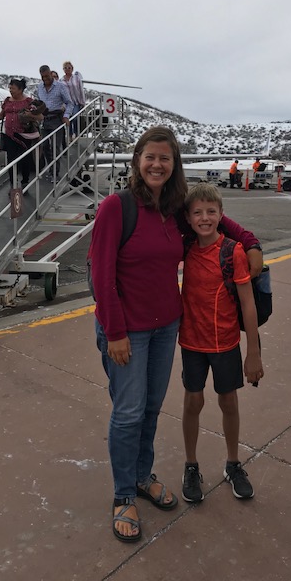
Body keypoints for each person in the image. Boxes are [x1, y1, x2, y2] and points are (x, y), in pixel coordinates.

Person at [88, 126, 263, 543]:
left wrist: (251, 243)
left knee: (150, 408)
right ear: (137, 160)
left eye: (165, 158)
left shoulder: (175, 210)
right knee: (128, 412)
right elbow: (100, 276)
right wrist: (115, 332)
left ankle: (142, 475)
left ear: (174, 165)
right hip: (126, 330)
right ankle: (123, 494)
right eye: (150, 156)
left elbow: (218, 221)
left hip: (166, 327)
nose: (157, 164)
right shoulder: (117, 207)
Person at [179, 183, 264, 505]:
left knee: (228, 402)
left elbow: (248, 304)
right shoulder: (186, 248)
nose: (204, 218)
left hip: (225, 343)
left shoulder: (232, 252)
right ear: (188, 218)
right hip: (192, 342)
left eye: (211, 212)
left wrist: (253, 352)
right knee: (193, 402)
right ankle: (191, 465)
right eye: (197, 213)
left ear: (221, 215)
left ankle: (233, 463)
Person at [0, 78, 42, 189]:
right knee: (11, 159)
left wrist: (30, 115)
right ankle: (13, 183)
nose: (11, 90)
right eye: (10, 88)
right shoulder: (7, 101)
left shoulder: (28, 101)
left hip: (24, 135)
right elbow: (2, 115)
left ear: (20, 90)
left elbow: (40, 116)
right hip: (10, 135)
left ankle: (25, 180)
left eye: (13, 88)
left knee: (24, 158)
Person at [36, 65, 71, 181]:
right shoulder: (40, 87)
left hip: (56, 119)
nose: (45, 79)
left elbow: (69, 103)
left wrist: (66, 116)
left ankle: (55, 173)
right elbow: (39, 102)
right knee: (45, 146)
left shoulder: (60, 86)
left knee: (55, 147)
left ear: (50, 73)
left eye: (47, 76)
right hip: (45, 119)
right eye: (43, 77)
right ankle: (51, 169)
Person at [60, 61, 85, 138]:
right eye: (65, 68)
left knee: (75, 117)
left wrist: (82, 102)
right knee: (68, 119)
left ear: (72, 69)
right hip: (66, 103)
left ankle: (76, 133)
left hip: (75, 101)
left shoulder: (77, 78)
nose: (67, 69)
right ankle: (70, 135)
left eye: (69, 68)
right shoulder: (61, 80)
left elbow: (81, 90)